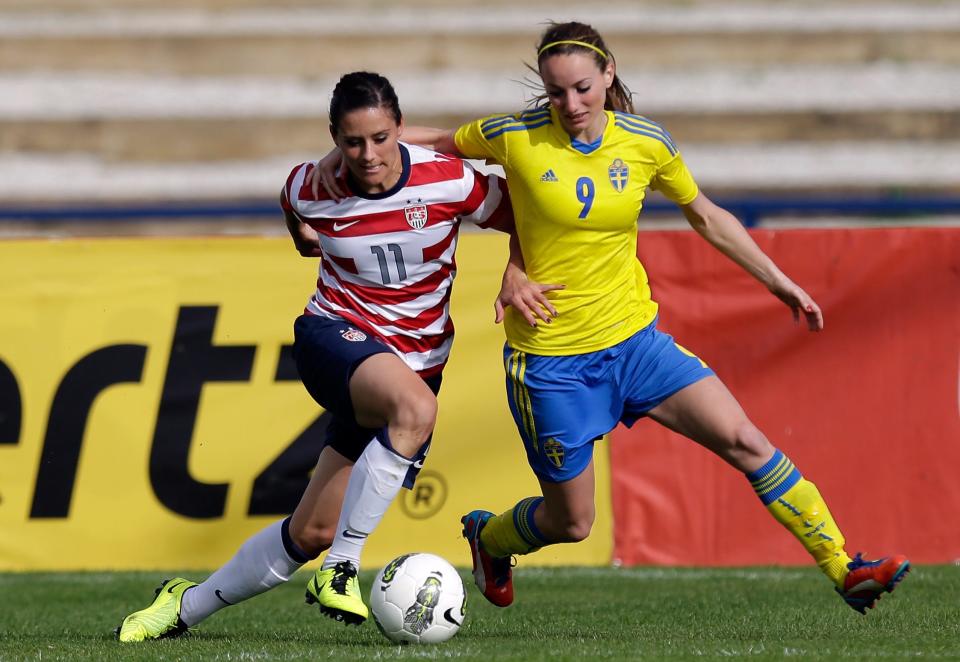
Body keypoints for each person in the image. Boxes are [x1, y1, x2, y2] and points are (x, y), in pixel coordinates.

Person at [312, 22, 909, 615]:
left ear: (608, 75)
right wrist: (345, 152)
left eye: (581, 89)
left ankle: (844, 567)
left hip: (635, 342)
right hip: (550, 363)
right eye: (556, 92)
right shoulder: (514, 134)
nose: (570, 104)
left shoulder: (647, 142)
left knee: (744, 439)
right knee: (572, 521)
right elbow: (428, 142)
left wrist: (781, 283)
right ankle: (491, 540)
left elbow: (704, 215)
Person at [115, 71, 513, 642]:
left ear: (400, 129)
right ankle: (344, 569)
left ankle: (183, 607)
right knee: (416, 411)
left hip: (416, 361)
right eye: (351, 143)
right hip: (333, 336)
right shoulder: (313, 186)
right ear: (334, 138)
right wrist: (299, 229)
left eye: (379, 139)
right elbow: (291, 197)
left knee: (312, 530)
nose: (367, 155)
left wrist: (518, 270)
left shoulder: (449, 180)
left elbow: (519, 213)